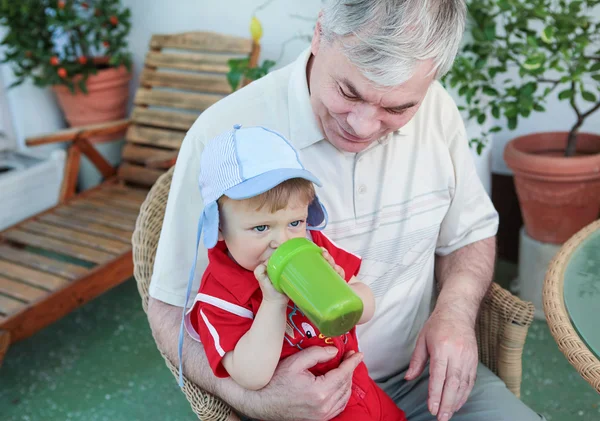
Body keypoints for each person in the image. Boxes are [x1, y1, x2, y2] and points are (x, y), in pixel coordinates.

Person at [148, 1, 545, 420]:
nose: (362, 126)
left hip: (419, 377)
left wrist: (456, 311)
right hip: (299, 400)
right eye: (348, 92)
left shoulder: (437, 110)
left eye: (396, 109)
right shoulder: (224, 137)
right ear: (320, 34)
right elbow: (170, 310)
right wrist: (259, 400)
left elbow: (469, 235)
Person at [183, 124, 406, 421]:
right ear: (220, 228)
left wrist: (341, 286)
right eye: (261, 228)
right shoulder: (220, 295)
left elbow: (365, 307)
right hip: (308, 410)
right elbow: (252, 376)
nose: (282, 241)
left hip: (360, 386)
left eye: (295, 222)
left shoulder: (312, 246)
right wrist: (273, 302)